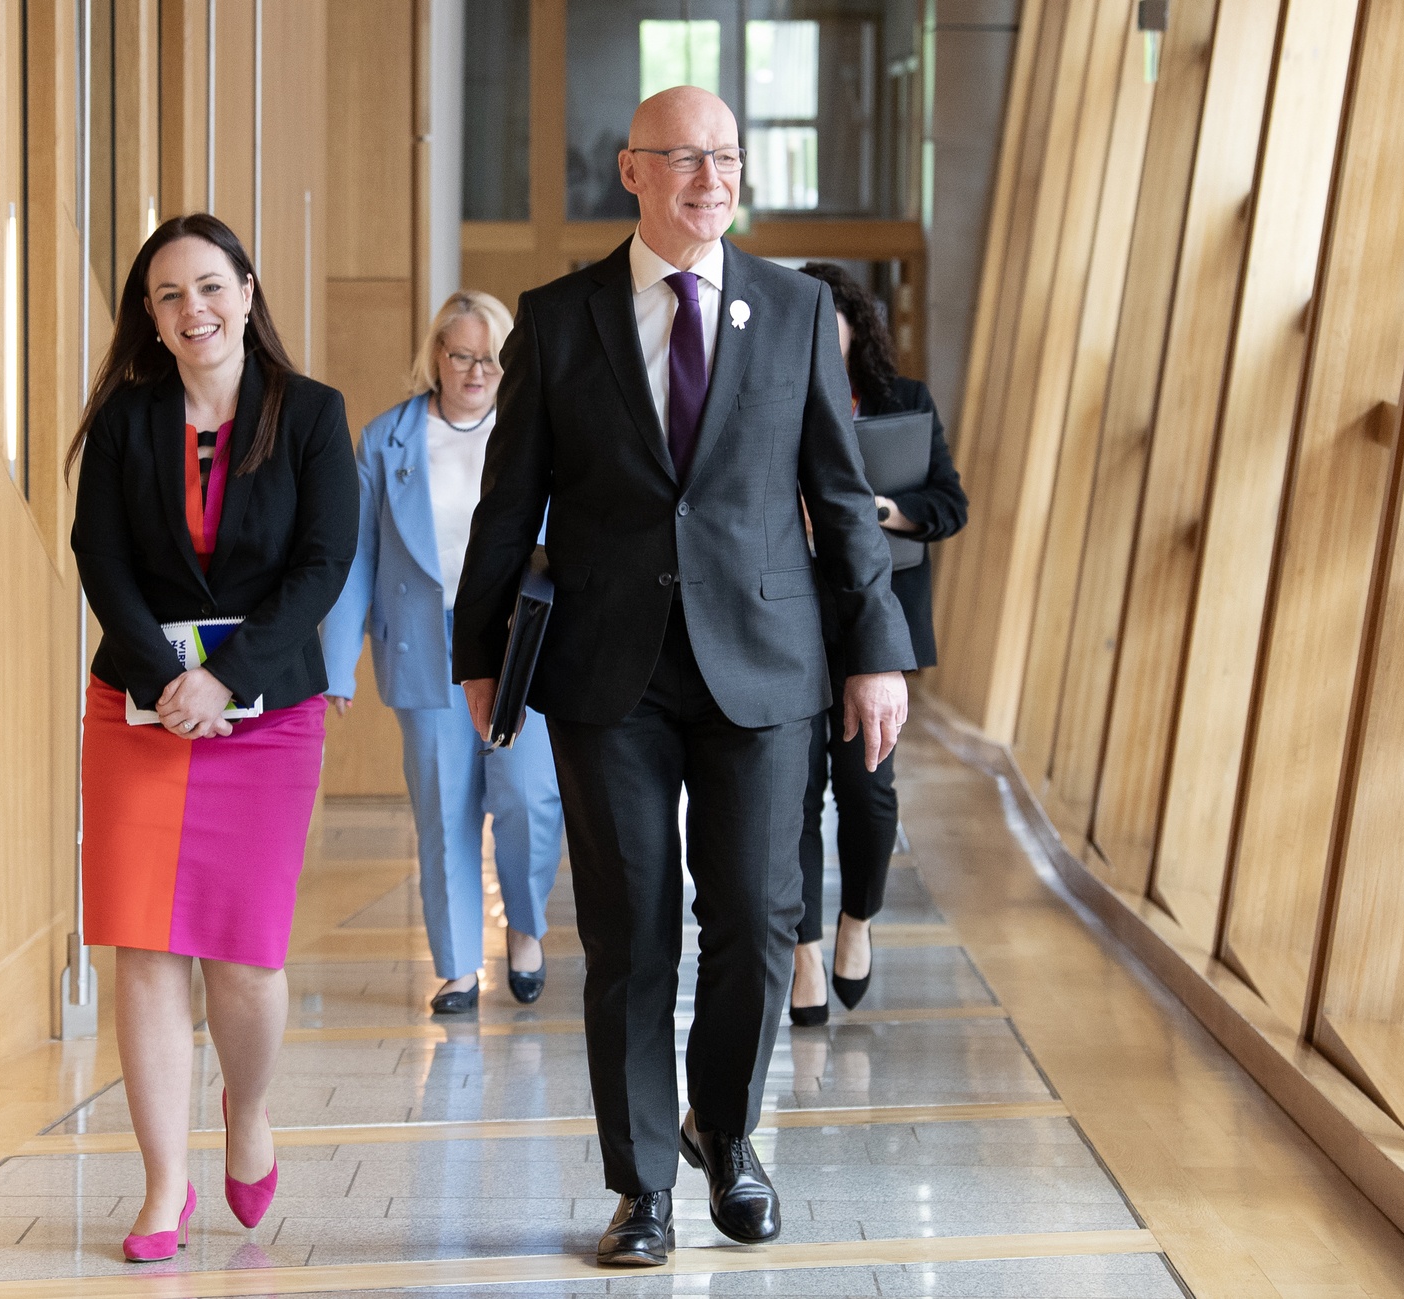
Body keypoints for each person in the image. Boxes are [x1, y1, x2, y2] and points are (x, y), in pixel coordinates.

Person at [452, 87, 914, 1267]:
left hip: (767, 664)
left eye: (729, 158)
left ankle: (728, 1130)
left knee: (760, 919)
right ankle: (643, 1185)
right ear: (632, 172)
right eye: (686, 158)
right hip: (610, 673)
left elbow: (838, 495)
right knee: (631, 931)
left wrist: (876, 652)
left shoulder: (799, 309)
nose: (712, 178)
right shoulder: (559, 322)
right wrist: (476, 654)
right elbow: (510, 505)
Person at [67, 213, 358, 1263]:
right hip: (140, 713)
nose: (194, 310)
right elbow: (99, 557)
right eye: (169, 296)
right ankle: (161, 1186)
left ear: (247, 288)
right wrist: (165, 679)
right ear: (150, 318)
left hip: (266, 716)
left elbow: (324, 563)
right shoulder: (126, 421)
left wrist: (227, 678)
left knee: (242, 957)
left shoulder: (312, 415)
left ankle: (246, 1107)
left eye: (209, 287)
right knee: (145, 947)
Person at [320, 291, 566, 1016]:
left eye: (490, 356)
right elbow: (356, 553)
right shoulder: (387, 438)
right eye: (461, 354)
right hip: (426, 644)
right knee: (443, 805)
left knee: (528, 796)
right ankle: (458, 966)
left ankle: (524, 925)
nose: (475, 370)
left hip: (516, 641)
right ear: (436, 355)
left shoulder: (535, 433)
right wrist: (338, 662)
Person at [789, 263, 968, 1027]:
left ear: (856, 329)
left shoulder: (905, 404)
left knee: (866, 793)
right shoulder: (773, 400)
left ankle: (856, 918)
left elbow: (949, 505)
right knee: (790, 799)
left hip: (872, 627)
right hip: (789, 626)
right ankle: (802, 952)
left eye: (827, 330)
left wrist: (884, 510)